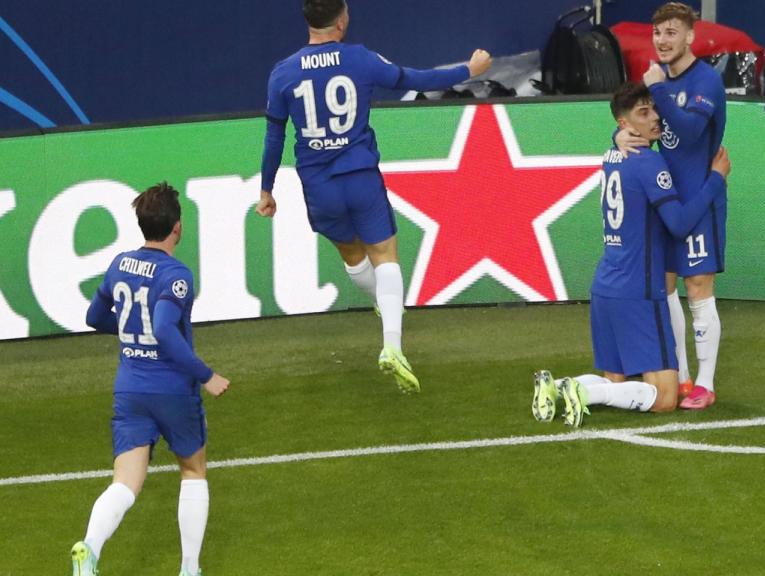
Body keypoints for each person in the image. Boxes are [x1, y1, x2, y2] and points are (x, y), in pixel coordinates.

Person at [256, 0, 492, 393]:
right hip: (360, 176)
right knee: (385, 256)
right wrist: (469, 70)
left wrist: (267, 189)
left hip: (319, 185)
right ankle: (392, 344)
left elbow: (274, 136)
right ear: (342, 19)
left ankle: (385, 305)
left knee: (353, 257)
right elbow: (414, 79)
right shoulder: (360, 59)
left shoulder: (283, 73)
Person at [533, 82, 729, 427]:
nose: (656, 118)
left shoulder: (611, 156)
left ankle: (563, 386)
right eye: (644, 113)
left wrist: (616, 135)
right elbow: (680, 224)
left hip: (606, 286)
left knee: (616, 380)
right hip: (638, 291)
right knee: (666, 398)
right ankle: (583, 394)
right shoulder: (649, 164)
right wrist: (716, 180)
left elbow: (622, 141)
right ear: (625, 124)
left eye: (654, 109)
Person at [71, 183, 231, 576]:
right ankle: (190, 568)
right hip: (172, 390)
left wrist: (129, 329)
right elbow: (163, 327)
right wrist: (205, 375)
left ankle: (89, 549)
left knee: (125, 483)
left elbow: (94, 317)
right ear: (177, 227)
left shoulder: (120, 263)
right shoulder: (176, 274)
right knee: (193, 471)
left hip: (130, 388)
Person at [616, 2, 727, 410]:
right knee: (665, 288)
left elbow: (691, 130)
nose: (663, 40)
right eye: (658, 33)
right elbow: (637, 117)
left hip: (700, 200)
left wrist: (658, 88)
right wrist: (619, 135)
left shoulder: (706, 81)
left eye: (672, 32)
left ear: (690, 36)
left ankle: (706, 382)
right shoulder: (657, 82)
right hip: (664, 202)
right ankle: (680, 375)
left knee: (698, 289)